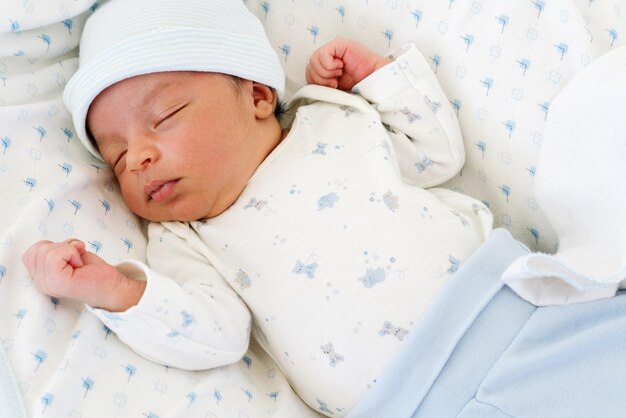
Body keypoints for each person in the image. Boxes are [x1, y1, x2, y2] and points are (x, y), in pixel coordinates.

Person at [22, 0, 492, 414]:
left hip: (498, 302)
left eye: (163, 117)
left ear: (259, 96)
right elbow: (214, 334)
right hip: (406, 404)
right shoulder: (186, 240)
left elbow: (436, 156)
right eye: (117, 157)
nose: (138, 157)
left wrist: (378, 78)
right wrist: (116, 291)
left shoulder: (329, 117)